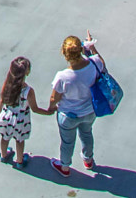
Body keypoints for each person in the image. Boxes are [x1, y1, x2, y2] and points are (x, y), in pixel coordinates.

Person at [45, 33, 106, 177]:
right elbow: (101, 62)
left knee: (67, 142)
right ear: (81, 49)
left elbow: (54, 97)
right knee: (86, 134)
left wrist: (51, 107)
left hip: (68, 115)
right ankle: (88, 160)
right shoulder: (94, 64)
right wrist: (92, 47)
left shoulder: (63, 76)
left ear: (64, 54)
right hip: (90, 112)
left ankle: (64, 167)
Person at [0, 55, 47, 168]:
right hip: (21, 119)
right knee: (19, 140)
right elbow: (35, 109)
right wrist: (49, 111)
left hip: (7, 114)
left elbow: (2, 98)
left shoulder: (7, 83)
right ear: (27, 72)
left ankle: (4, 155)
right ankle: (20, 161)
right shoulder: (28, 91)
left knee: (5, 136)